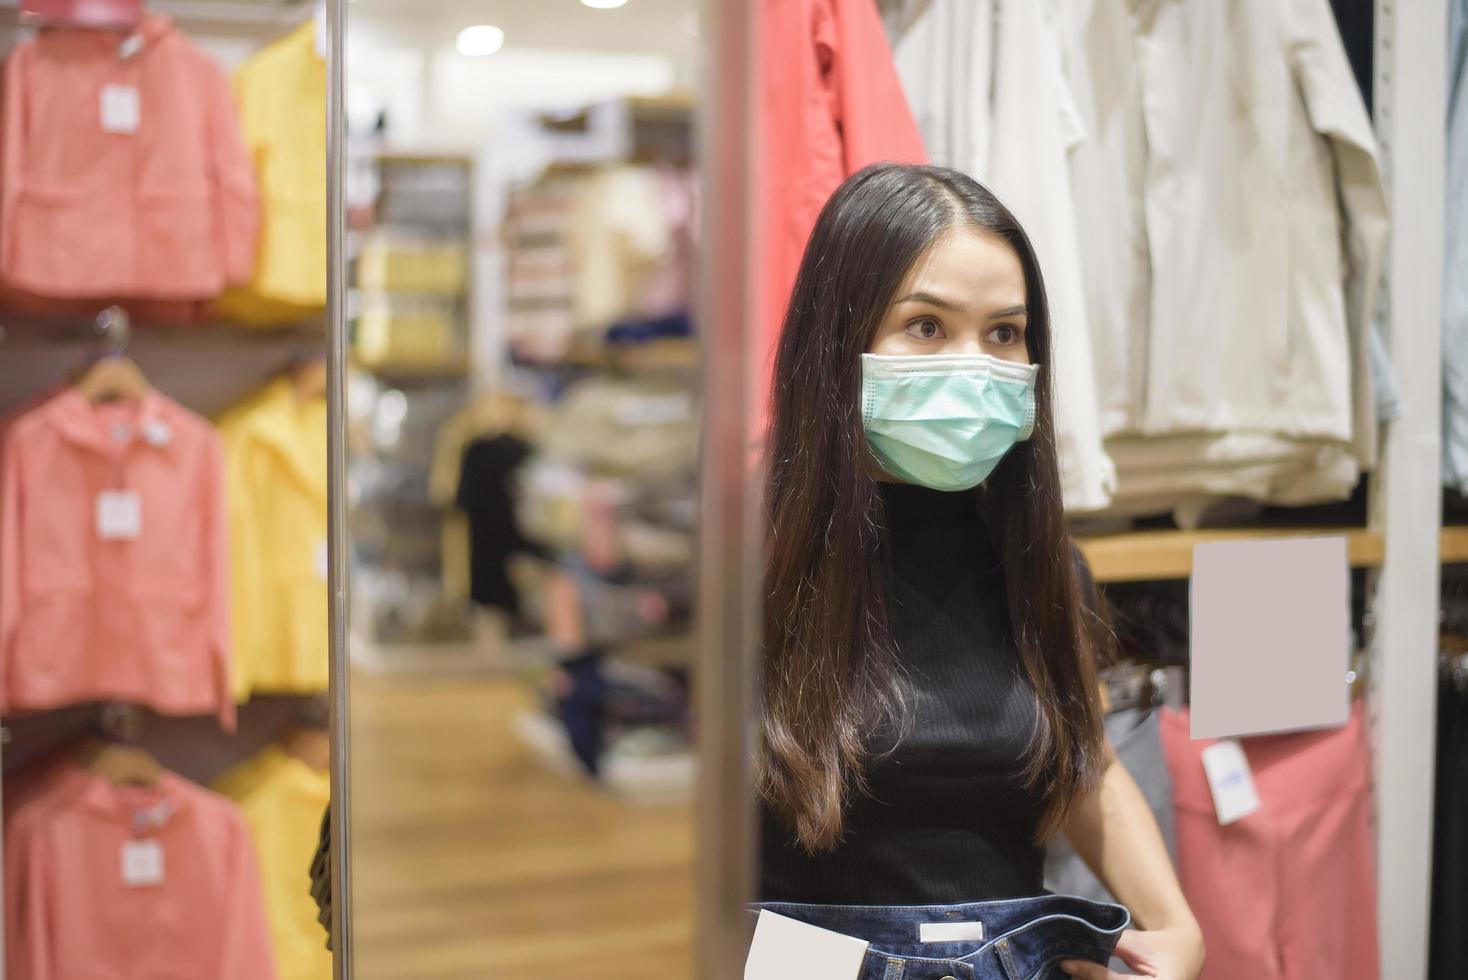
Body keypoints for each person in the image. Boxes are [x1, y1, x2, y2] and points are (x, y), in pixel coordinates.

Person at [757, 163, 1205, 980]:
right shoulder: (745, 571)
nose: (975, 364)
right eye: (926, 327)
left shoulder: (1041, 564)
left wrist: (1176, 926)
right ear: (839, 336)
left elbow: (1085, 763)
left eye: (1004, 333)